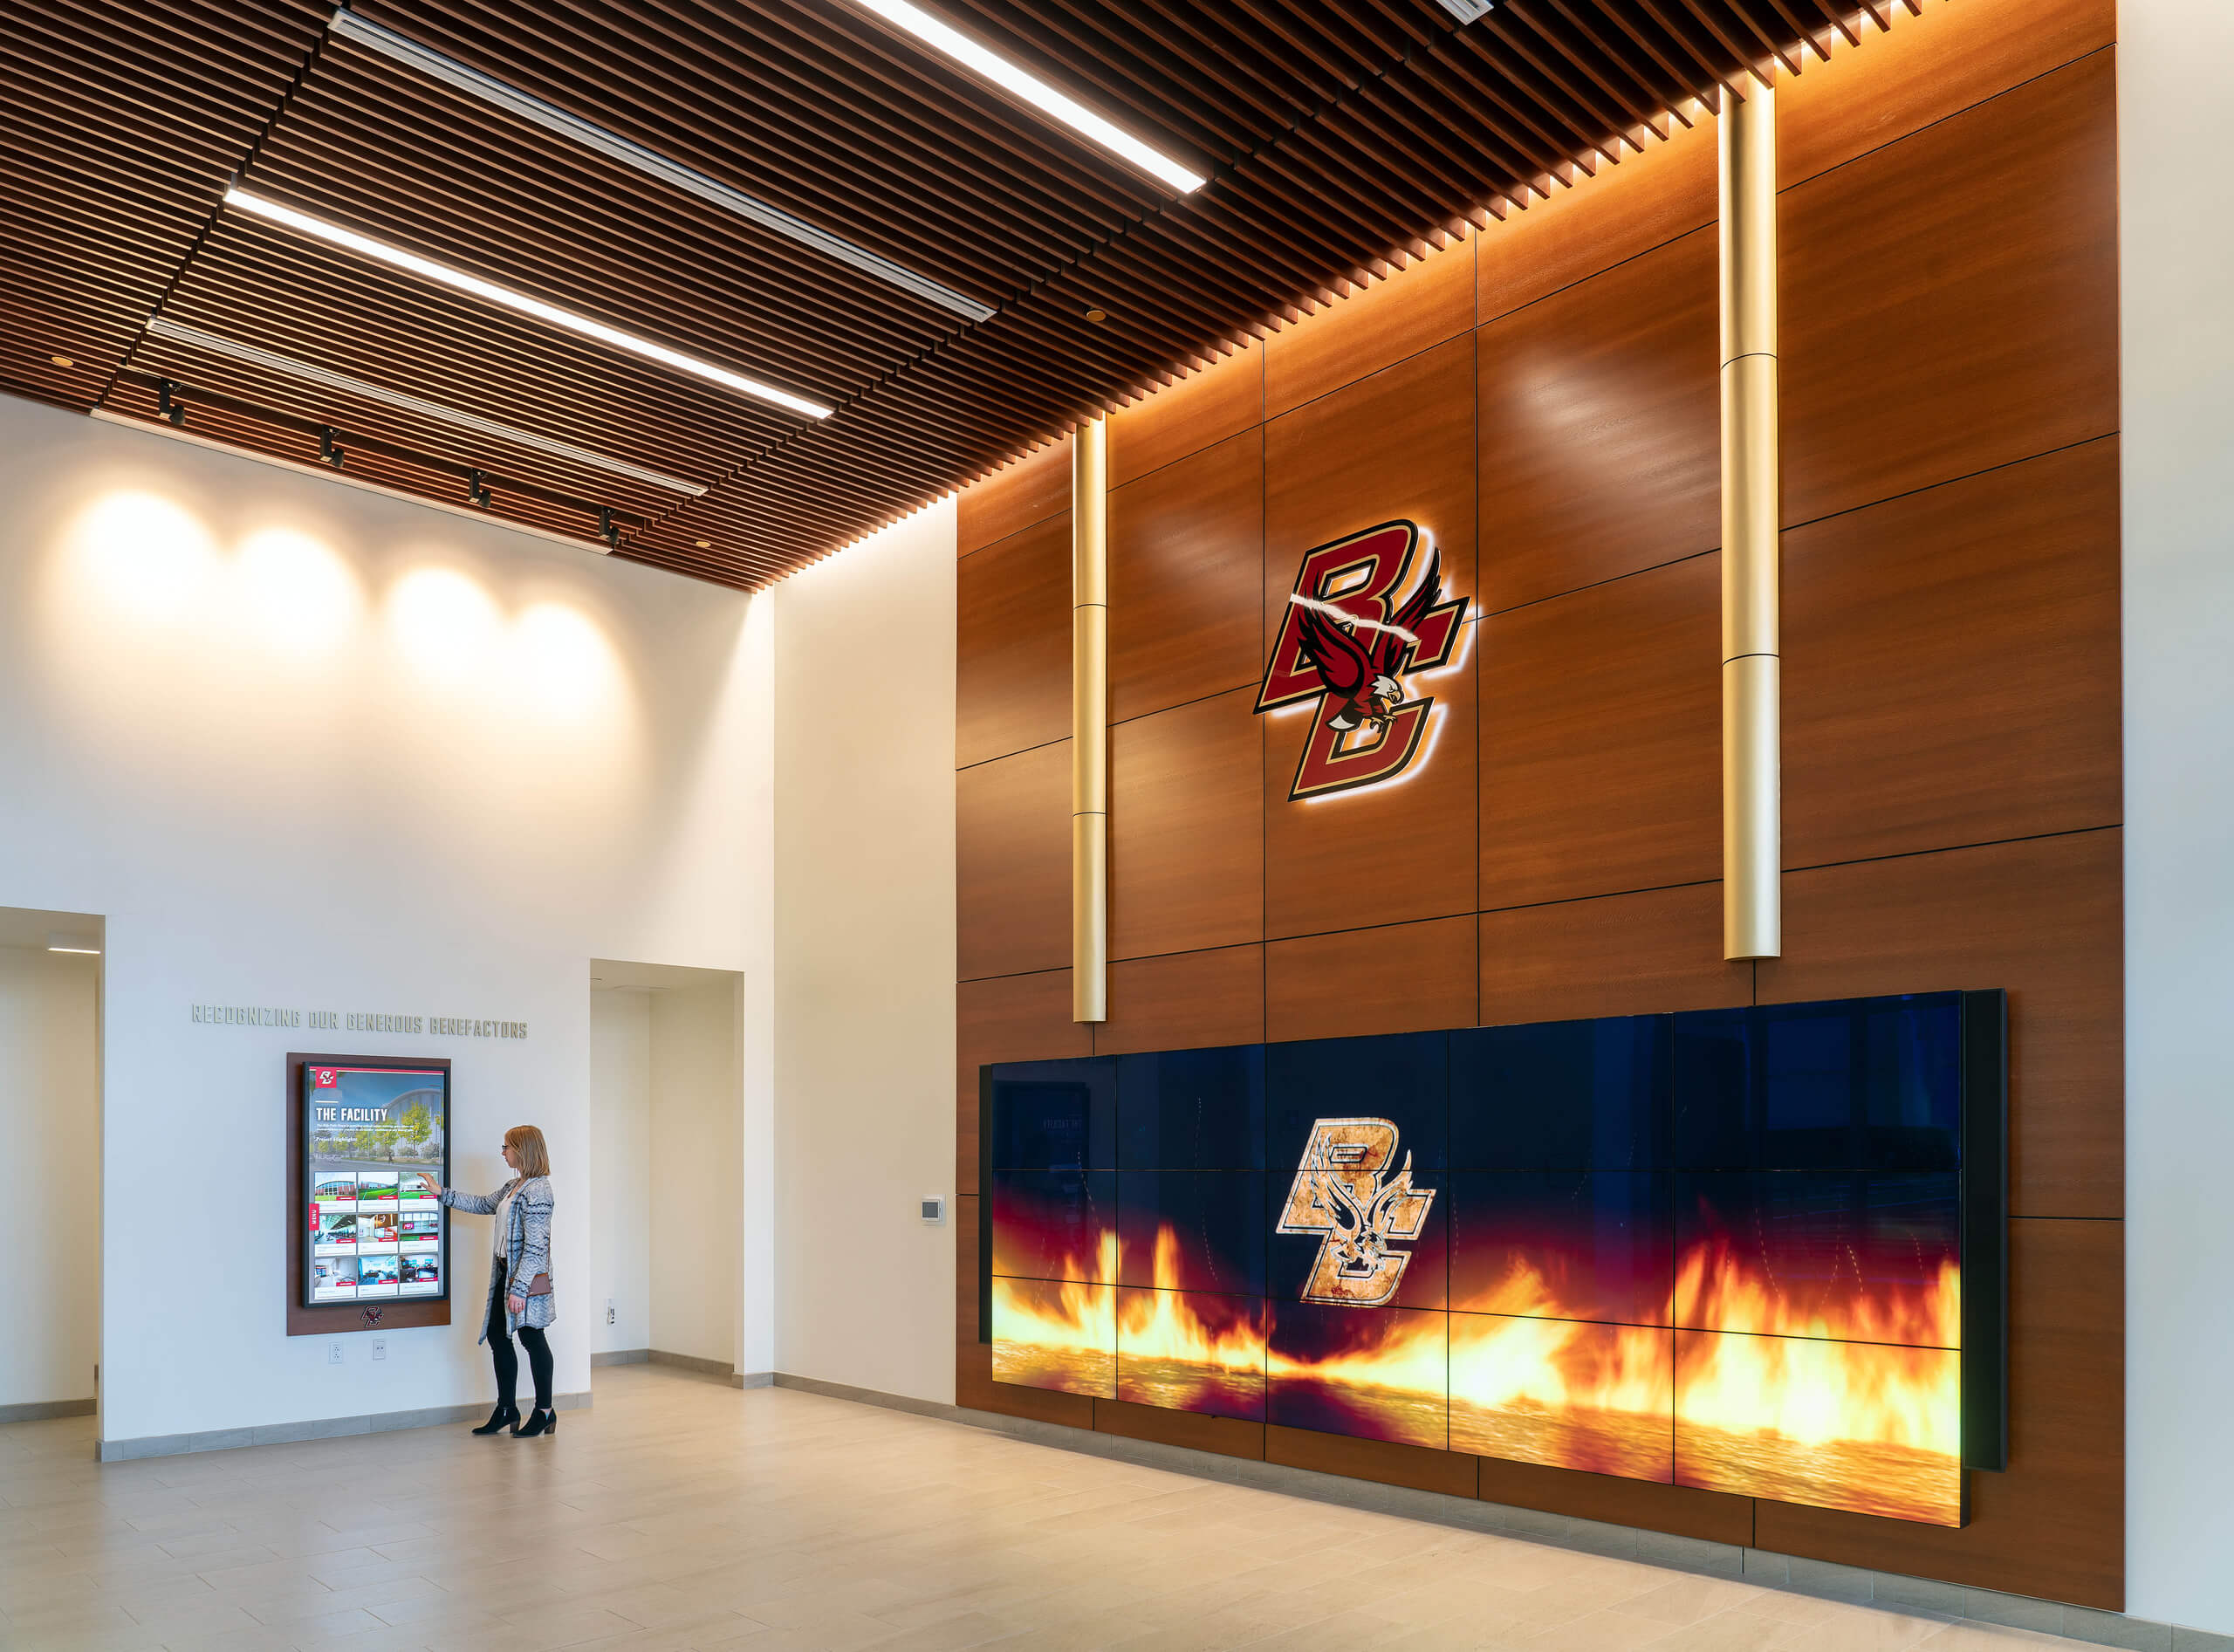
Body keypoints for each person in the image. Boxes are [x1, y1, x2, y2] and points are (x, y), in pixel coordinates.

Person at [437, 1126, 557, 1438]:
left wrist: (519, 1288)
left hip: (525, 1279)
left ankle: (545, 1411)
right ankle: (507, 1409)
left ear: (523, 1150)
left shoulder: (539, 1191)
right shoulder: (514, 1186)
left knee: (532, 1339)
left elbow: (536, 1246)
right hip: (506, 1273)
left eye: (506, 1147)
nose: (503, 1152)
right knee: (498, 1337)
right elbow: (481, 1204)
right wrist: (441, 1194)